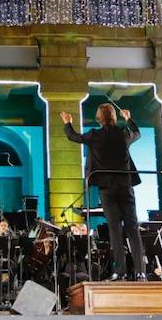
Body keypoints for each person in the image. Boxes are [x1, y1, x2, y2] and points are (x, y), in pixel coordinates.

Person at [61, 104, 143, 280]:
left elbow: (73, 136)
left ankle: (119, 272)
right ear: (114, 117)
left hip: (106, 187)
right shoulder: (124, 133)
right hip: (125, 185)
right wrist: (128, 118)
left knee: (114, 229)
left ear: (99, 117)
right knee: (132, 227)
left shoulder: (94, 135)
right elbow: (137, 133)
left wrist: (68, 123)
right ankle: (140, 271)